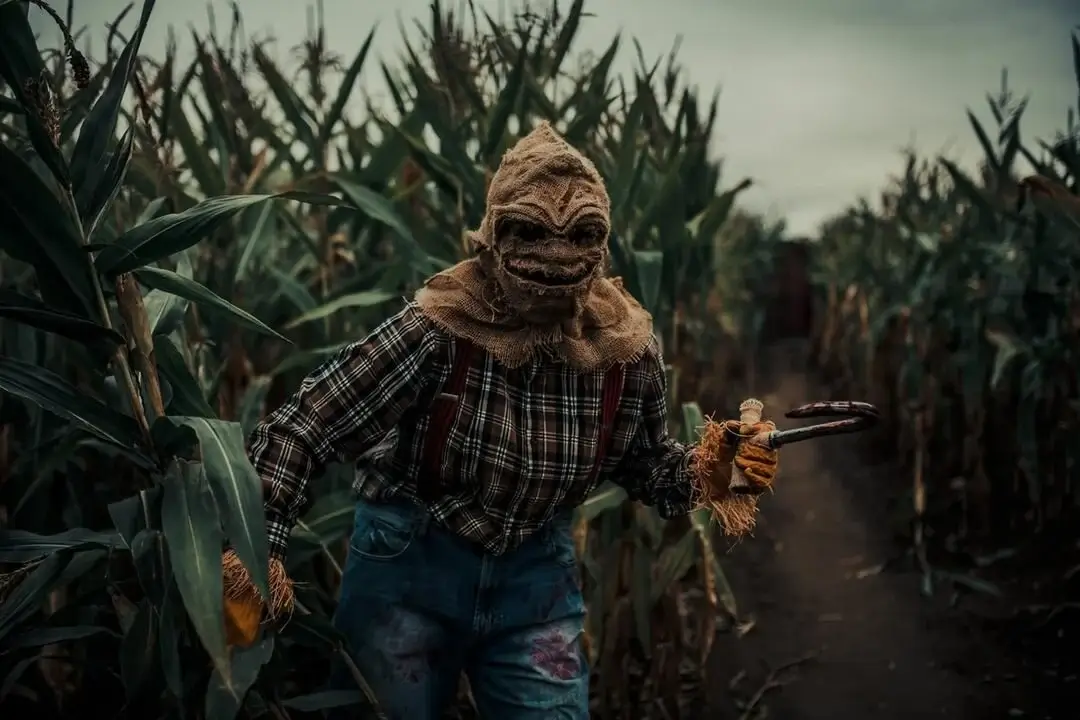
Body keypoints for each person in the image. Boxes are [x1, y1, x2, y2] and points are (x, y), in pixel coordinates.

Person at [220, 122, 780, 720]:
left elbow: (646, 465)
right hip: (410, 567)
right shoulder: (439, 329)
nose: (558, 254)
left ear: (605, 241)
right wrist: (257, 554)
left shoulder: (624, 347)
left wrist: (717, 469)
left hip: (536, 580)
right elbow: (307, 425)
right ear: (491, 237)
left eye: (583, 234)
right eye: (531, 232)